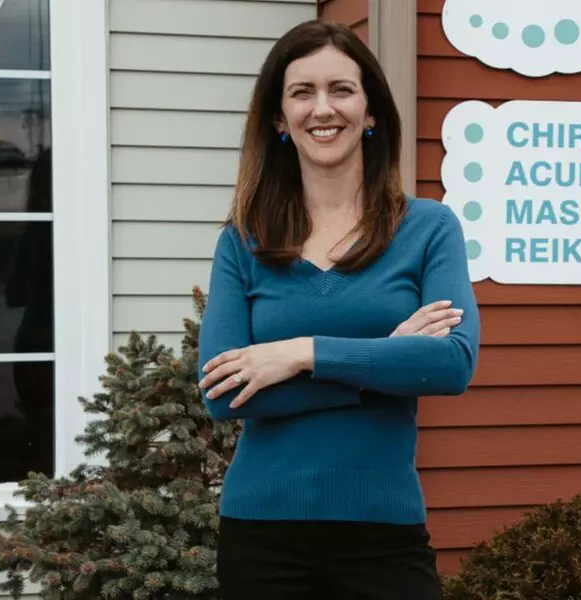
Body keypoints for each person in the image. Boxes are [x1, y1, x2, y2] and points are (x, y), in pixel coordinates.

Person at [196, 19, 480, 600]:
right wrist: (384, 362)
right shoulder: (243, 241)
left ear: (370, 111)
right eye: (302, 92)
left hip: (384, 531)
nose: (323, 109)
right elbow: (222, 394)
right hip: (261, 535)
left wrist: (301, 354)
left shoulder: (429, 229)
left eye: (342, 90)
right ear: (280, 119)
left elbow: (451, 364)